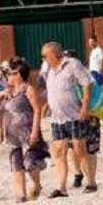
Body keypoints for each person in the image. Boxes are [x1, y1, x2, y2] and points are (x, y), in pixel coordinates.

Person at [39, 41, 98, 196]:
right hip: (57, 118)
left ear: (54, 54)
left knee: (80, 149)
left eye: (45, 56)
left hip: (74, 116)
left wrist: (85, 106)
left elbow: (87, 83)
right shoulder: (49, 70)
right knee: (59, 152)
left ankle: (91, 182)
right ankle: (61, 187)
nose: (43, 59)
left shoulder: (72, 64)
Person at [0, 59, 47, 201]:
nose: (8, 76)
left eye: (11, 74)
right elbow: (1, 111)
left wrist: (35, 131)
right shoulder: (8, 91)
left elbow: (37, 110)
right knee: (16, 162)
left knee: (30, 163)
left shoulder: (28, 89)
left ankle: (37, 184)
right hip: (12, 133)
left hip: (27, 130)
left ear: (18, 75)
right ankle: (21, 194)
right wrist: (0, 130)